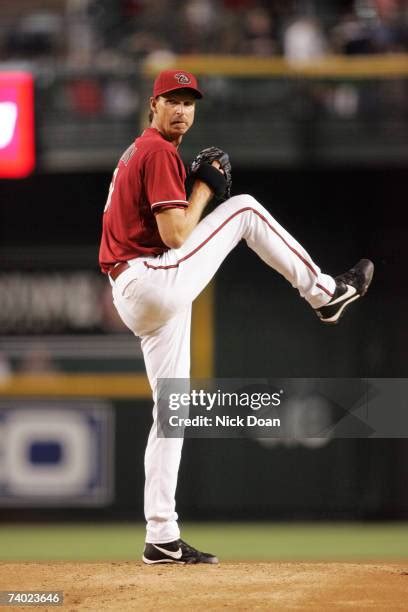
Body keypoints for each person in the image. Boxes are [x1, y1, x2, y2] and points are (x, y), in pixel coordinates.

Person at [98, 69, 374, 565]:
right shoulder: (158, 150)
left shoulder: (140, 151)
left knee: (170, 411)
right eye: (172, 100)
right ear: (152, 104)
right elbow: (177, 235)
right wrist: (204, 187)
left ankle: (160, 534)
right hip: (150, 278)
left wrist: (195, 184)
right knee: (244, 209)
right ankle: (325, 293)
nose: (182, 110)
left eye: (189, 102)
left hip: (136, 288)